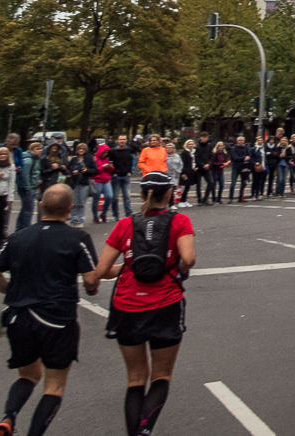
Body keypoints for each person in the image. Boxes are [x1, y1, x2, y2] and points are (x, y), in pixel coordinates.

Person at [0, 184, 101, 436]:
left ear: (40, 206)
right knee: (54, 385)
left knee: (27, 374)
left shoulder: (17, 238)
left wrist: (12, 291)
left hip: (18, 317)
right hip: (57, 318)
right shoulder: (77, 238)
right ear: (70, 209)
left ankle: (8, 417)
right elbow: (91, 280)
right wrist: (91, 290)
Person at [94, 171, 195, 436]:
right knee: (161, 376)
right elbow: (189, 258)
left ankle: (133, 433)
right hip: (166, 303)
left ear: (141, 194)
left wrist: (127, 267)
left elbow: (101, 271)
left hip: (127, 305)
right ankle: (146, 428)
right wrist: (180, 269)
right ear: (169, 194)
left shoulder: (126, 223)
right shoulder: (180, 220)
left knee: (135, 378)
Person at [65, 143, 95, 228]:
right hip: (75, 183)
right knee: (74, 203)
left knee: (82, 203)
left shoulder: (89, 159)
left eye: (83, 149)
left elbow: (94, 169)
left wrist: (86, 170)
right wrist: (73, 171)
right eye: (79, 149)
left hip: (84, 182)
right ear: (77, 150)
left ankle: (80, 220)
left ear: (85, 150)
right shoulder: (74, 159)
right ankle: (73, 220)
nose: (81, 150)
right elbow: (68, 168)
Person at [109, 135, 135, 219]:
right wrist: (113, 172)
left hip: (125, 175)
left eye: (124, 139)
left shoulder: (129, 150)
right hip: (116, 176)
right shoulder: (113, 151)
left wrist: (130, 171)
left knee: (127, 196)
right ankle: (115, 214)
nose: (122, 141)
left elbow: (132, 161)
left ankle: (128, 213)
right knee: (115, 197)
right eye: (120, 139)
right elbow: (110, 162)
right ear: (118, 140)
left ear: (126, 140)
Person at [20, 142, 43, 230]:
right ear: (31, 150)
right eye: (37, 149)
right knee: (29, 210)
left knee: (25, 209)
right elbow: (25, 175)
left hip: (33, 185)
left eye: (41, 148)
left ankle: (20, 228)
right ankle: (26, 228)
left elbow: (35, 172)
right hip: (29, 188)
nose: (40, 150)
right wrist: (28, 187)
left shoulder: (36, 159)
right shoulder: (29, 160)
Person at [92, 139, 114, 223]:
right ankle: (95, 216)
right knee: (96, 199)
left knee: (109, 196)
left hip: (106, 180)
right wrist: (103, 167)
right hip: (97, 181)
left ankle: (104, 213)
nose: (105, 154)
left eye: (106, 153)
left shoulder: (107, 159)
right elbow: (95, 171)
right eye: (104, 152)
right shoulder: (95, 159)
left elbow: (110, 171)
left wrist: (110, 167)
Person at [193, 133, 214, 205]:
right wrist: (202, 165)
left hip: (207, 167)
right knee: (199, 184)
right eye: (203, 137)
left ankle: (205, 198)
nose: (204, 138)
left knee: (211, 182)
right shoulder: (197, 147)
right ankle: (199, 199)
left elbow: (211, 156)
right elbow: (196, 157)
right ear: (200, 137)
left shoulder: (209, 146)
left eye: (206, 137)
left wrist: (209, 164)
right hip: (199, 167)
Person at [230, 135, 252, 203]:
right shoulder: (234, 148)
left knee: (243, 183)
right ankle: (231, 198)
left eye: (242, 140)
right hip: (236, 167)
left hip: (244, 167)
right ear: (237, 141)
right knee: (233, 183)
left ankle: (241, 197)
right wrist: (244, 158)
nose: (241, 141)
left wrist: (247, 158)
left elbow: (249, 155)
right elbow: (235, 158)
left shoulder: (246, 148)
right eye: (240, 140)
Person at [164, 143, 183, 207]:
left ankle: (171, 203)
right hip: (166, 175)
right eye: (167, 148)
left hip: (175, 176)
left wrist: (179, 171)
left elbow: (181, 164)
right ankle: (168, 203)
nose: (169, 149)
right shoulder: (164, 156)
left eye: (170, 148)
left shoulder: (177, 156)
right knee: (167, 189)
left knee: (172, 189)